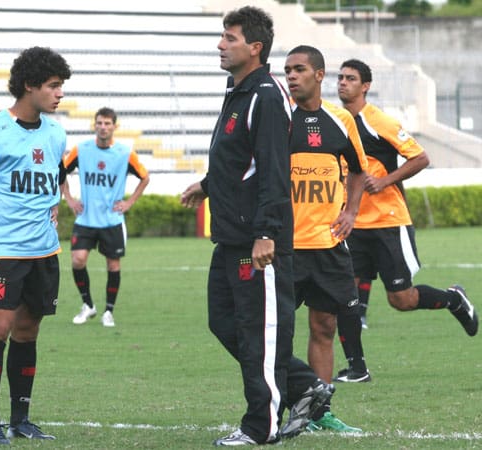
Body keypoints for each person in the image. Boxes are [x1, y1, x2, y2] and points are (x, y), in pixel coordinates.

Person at [181, 8, 334, 446]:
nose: (220, 44)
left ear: (255, 47)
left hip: (256, 240)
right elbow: (239, 158)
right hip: (230, 236)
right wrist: (209, 185)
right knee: (224, 321)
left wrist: (266, 232)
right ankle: (306, 385)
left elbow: (272, 170)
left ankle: (260, 426)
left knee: (260, 331)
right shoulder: (240, 91)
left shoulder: (266, 95)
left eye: (228, 37)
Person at [0, 46, 71, 444]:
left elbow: (55, 176)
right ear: (29, 85)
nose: (60, 94)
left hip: (44, 251)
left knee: (27, 332)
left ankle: (20, 419)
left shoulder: (57, 133)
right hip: (2, 251)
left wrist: (55, 204)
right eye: (54, 86)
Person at [336, 58, 478, 350]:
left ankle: (454, 299)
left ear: (365, 86)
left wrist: (386, 180)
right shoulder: (337, 122)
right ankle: (356, 367)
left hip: (388, 221)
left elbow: (421, 157)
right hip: (353, 222)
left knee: (401, 300)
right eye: (340, 78)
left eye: (350, 78)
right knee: (345, 291)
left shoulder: (379, 121)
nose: (342, 83)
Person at [283, 45, 369, 431]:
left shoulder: (340, 119)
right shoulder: (279, 118)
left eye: (299, 69)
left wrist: (350, 211)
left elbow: (357, 171)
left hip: (328, 244)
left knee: (324, 328)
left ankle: (320, 412)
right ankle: (286, 406)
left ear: (319, 75)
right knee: (277, 333)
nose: (291, 76)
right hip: (284, 248)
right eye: (287, 70)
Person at [62, 107, 150, 328]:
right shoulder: (81, 150)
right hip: (86, 220)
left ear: (114, 126)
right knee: (77, 259)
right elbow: (60, 172)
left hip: (112, 221)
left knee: (113, 265)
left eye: (107, 123)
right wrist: (70, 199)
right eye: (99, 123)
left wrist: (129, 202)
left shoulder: (125, 153)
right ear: (95, 125)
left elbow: (145, 177)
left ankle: (108, 311)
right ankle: (88, 305)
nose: (103, 127)